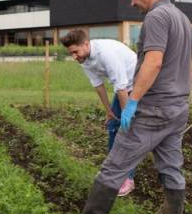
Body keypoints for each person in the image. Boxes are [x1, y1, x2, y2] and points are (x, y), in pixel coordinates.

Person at [57, 0, 192, 214]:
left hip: (154, 108)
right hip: (178, 107)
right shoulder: (182, 18)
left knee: (115, 165)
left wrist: (132, 102)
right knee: (171, 169)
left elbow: (153, 62)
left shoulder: (156, 17)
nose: (132, 2)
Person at [59, 29, 137, 196]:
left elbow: (121, 87)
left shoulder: (106, 54)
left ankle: (127, 178)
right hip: (123, 88)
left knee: (127, 133)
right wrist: (109, 111)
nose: (74, 56)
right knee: (113, 128)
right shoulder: (84, 59)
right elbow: (98, 85)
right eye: (71, 53)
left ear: (86, 44)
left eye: (75, 52)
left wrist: (126, 116)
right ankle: (111, 173)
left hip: (138, 85)